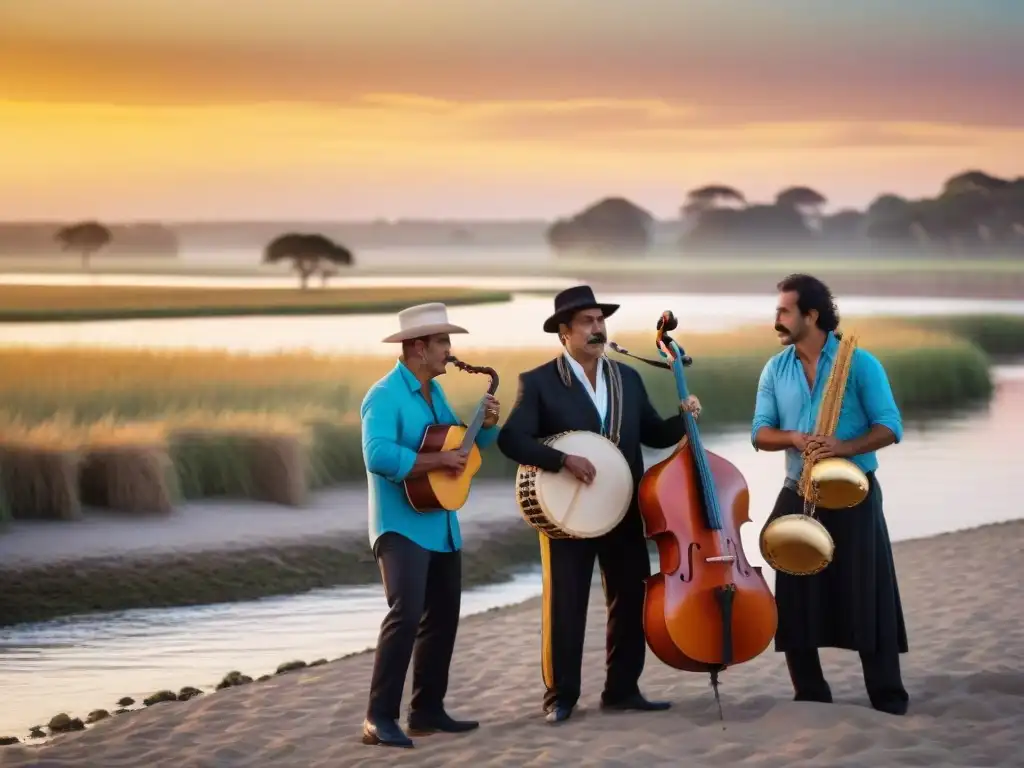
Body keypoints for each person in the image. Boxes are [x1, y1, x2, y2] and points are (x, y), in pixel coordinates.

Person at [496, 285, 701, 725]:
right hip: (566, 513)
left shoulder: (627, 377)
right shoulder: (539, 382)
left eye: (600, 320)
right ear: (564, 334)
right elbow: (511, 439)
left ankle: (622, 689)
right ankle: (560, 696)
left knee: (630, 597)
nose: (597, 328)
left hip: (623, 505)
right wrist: (562, 459)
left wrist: (683, 418)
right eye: (587, 322)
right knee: (565, 603)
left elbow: (652, 434)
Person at [751, 273, 910, 716]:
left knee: (866, 589)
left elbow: (890, 426)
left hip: (852, 491)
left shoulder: (859, 363)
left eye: (784, 311)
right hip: (797, 488)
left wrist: (842, 447)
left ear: (811, 315)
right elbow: (759, 433)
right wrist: (796, 439)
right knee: (793, 587)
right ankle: (811, 694)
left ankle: (888, 697)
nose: (777, 319)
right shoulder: (775, 368)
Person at [360, 302, 502, 748]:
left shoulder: (434, 394)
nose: (449, 351)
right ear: (418, 348)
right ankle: (377, 719)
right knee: (404, 616)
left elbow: (458, 447)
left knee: (442, 617)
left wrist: (489, 427)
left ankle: (426, 710)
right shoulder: (383, 396)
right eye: (442, 342)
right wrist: (438, 460)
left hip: (440, 524)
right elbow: (377, 455)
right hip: (400, 526)